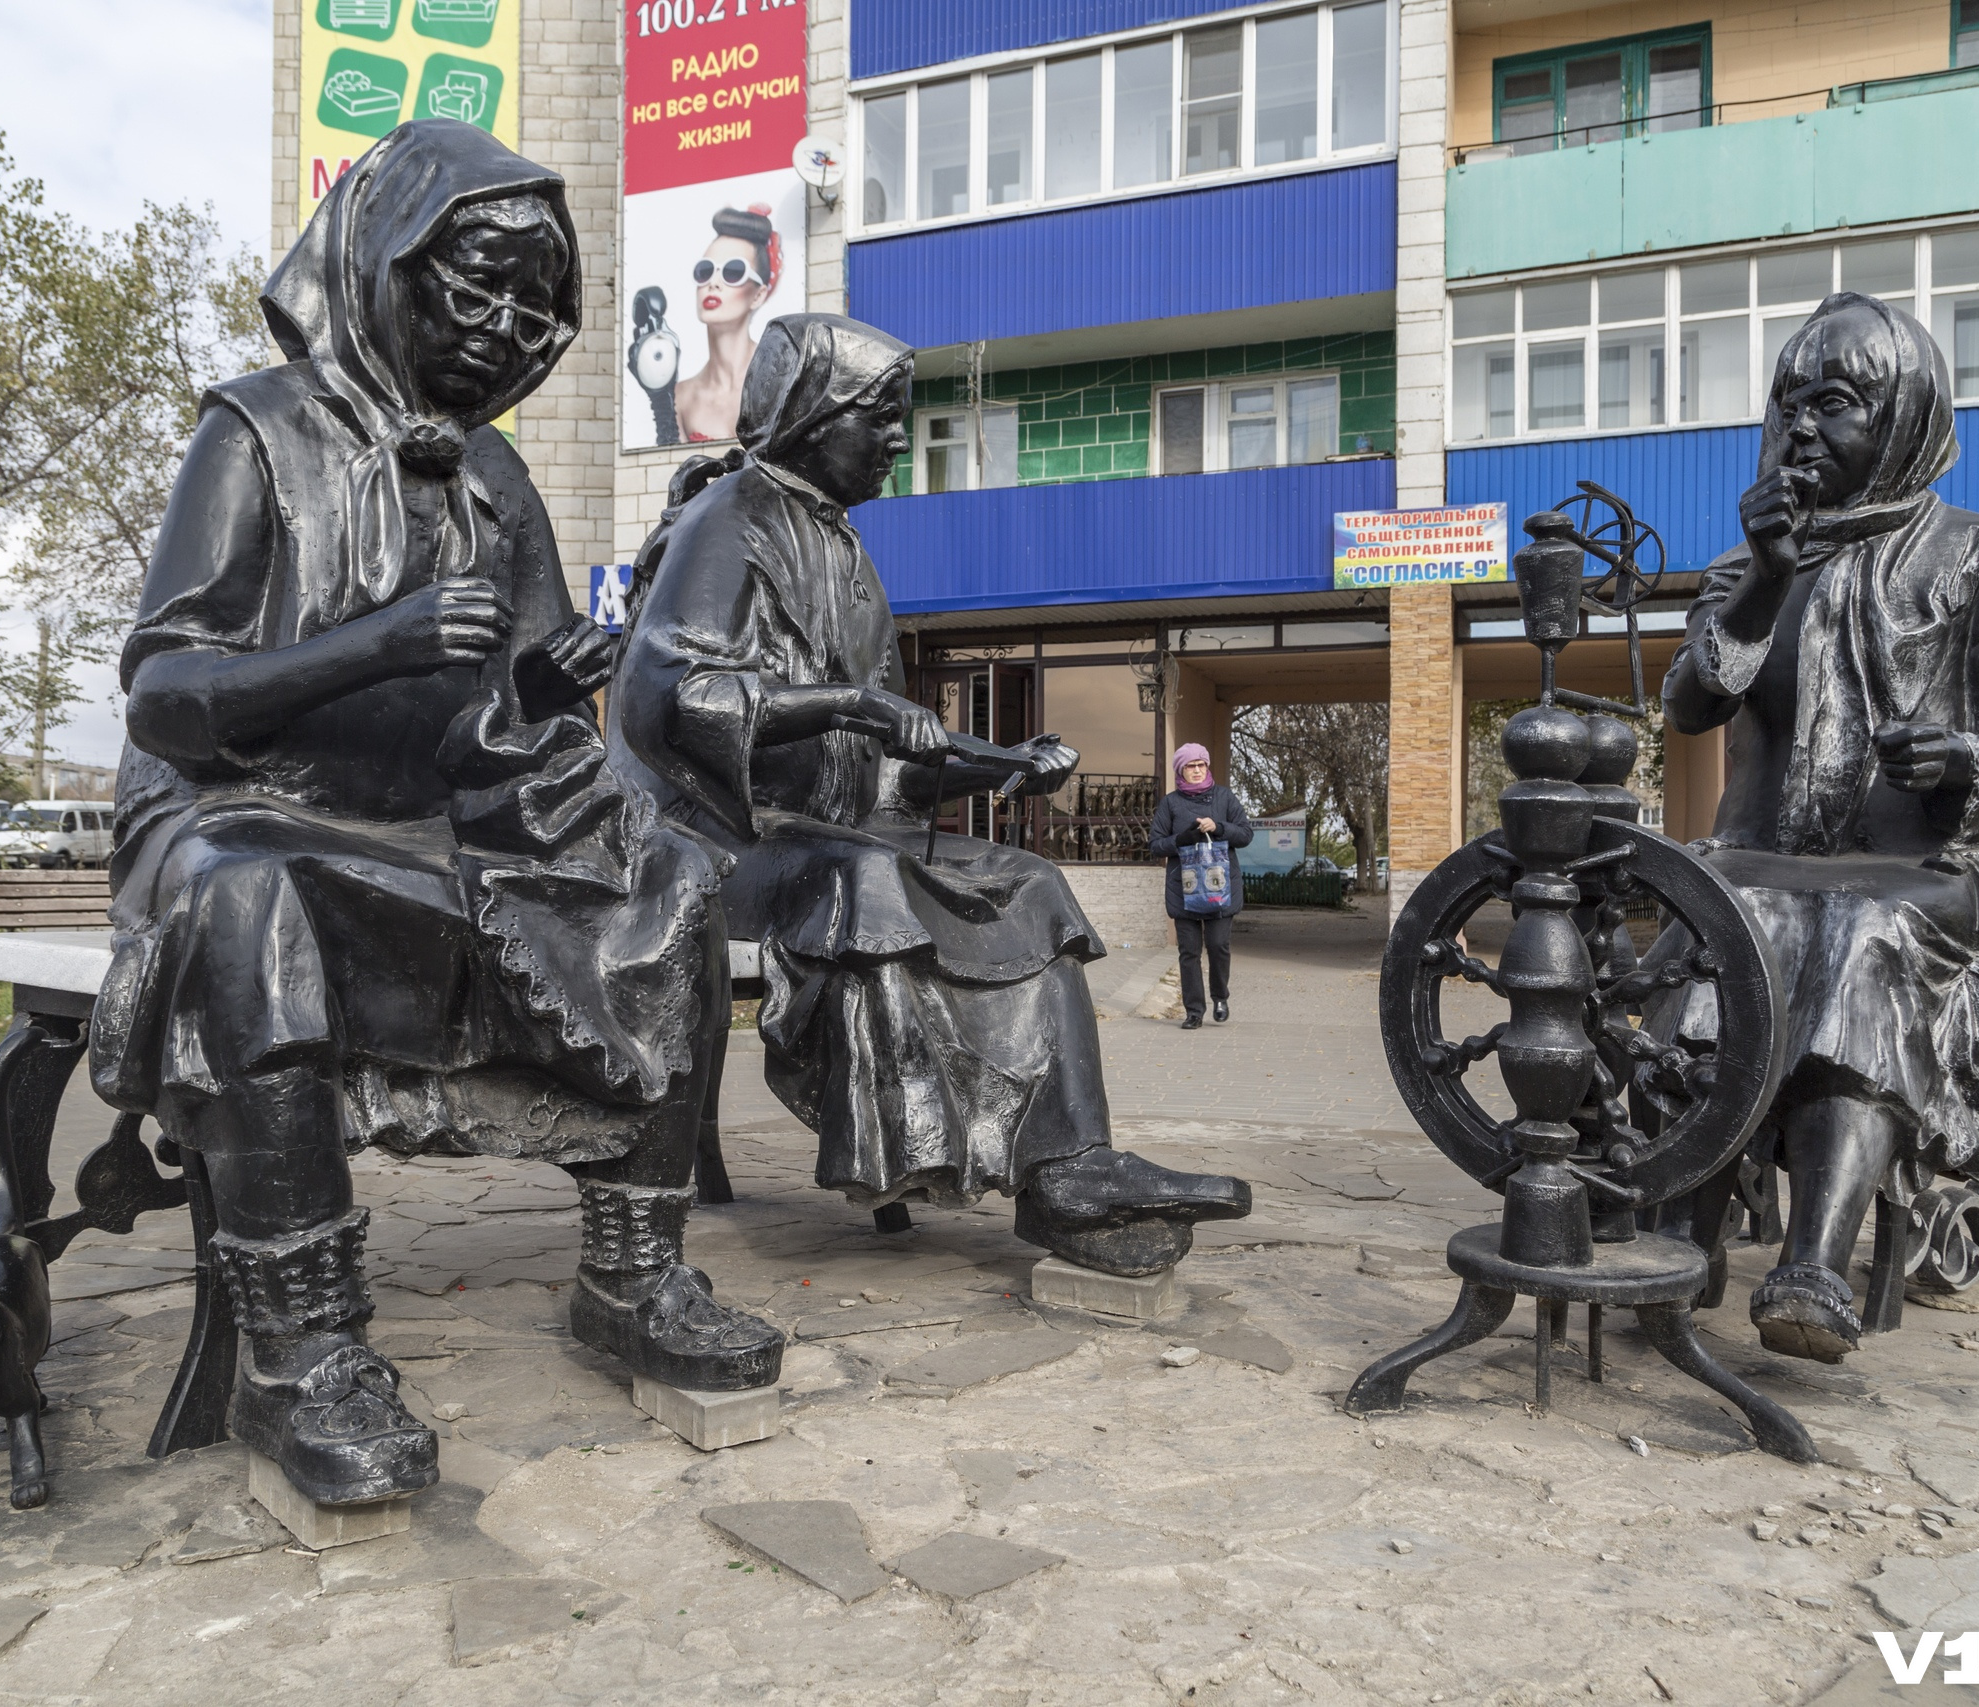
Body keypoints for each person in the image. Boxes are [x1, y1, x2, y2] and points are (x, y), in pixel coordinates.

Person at [90, 121, 781, 1508]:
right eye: (473, 286)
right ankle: (300, 1352)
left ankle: (633, 1270)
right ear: (380, 258)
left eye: (534, 307)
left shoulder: (497, 478)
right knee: (242, 896)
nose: (502, 328)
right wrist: (380, 642)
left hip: (431, 821)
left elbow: (493, 739)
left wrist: (534, 677)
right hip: (242, 810)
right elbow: (167, 695)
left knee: (675, 879)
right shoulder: (258, 430)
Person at [608, 312, 1252, 1277]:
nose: (902, 440)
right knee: (868, 879)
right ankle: (919, 1143)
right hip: (720, 834)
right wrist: (844, 702)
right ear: (813, 418)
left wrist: (1000, 762)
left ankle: (1070, 1165)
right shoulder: (728, 521)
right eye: (883, 417)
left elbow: (896, 757)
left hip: (839, 830)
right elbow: (670, 696)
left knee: (1030, 881)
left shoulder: (853, 558)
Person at [1653, 291, 1979, 1364]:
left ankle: (1812, 1266)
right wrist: (1764, 581)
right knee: (1720, 914)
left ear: (1900, 415)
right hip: (1762, 862)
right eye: (1788, 403)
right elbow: (1690, 705)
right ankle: (1680, 1242)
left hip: (1940, 871)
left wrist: (1971, 760)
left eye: (1834, 404)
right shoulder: (1747, 564)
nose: (1800, 428)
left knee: (1855, 926)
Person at [1148, 744, 1253, 1029]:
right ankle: (1194, 1011)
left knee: (1218, 945)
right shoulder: (1170, 803)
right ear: (1180, 770)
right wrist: (1181, 838)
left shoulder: (1224, 797)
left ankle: (1220, 997)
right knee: (1189, 952)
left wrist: (1219, 827)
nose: (1196, 770)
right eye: (1190, 766)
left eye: (1201, 765)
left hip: (1220, 888)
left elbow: (1245, 834)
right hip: (1184, 889)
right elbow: (1155, 844)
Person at [672, 205, 778, 443]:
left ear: (758, 295)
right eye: (705, 271)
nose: (714, 283)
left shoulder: (781, 382)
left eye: (733, 272)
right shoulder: (682, 397)